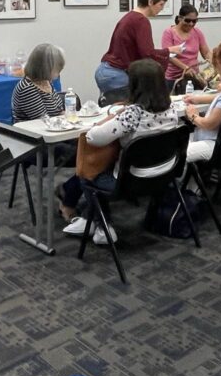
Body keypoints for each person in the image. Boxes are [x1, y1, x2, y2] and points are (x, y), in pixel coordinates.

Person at [63, 59, 179, 244]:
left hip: (131, 181)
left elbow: (93, 137)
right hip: (164, 175)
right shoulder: (172, 109)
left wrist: (111, 118)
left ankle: (103, 227)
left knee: (87, 174)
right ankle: (88, 219)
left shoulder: (132, 114)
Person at [95, 0, 178, 95]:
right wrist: (168, 51)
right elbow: (147, 53)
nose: (162, 9)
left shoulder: (130, 16)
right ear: (150, 2)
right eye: (161, 4)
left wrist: (168, 51)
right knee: (127, 110)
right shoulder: (141, 21)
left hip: (105, 70)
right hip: (117, 74)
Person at [162, 4, 212, 90]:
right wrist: (186, 68)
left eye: (194, 21)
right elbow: (169, 56)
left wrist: (213, 61)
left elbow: (206, 52)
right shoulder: (169, 33)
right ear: (180, 18)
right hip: (174, 78)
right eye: (188, 20)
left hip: (193, 77)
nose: (191, 24)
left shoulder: (197, 32)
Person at [11, 43, 66, 122]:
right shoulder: (27, 88)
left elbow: (59, 111)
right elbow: (42, 120)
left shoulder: (46, 82)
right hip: (33, 132)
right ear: (45, 68)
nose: (59, 71)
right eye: (57, 68)